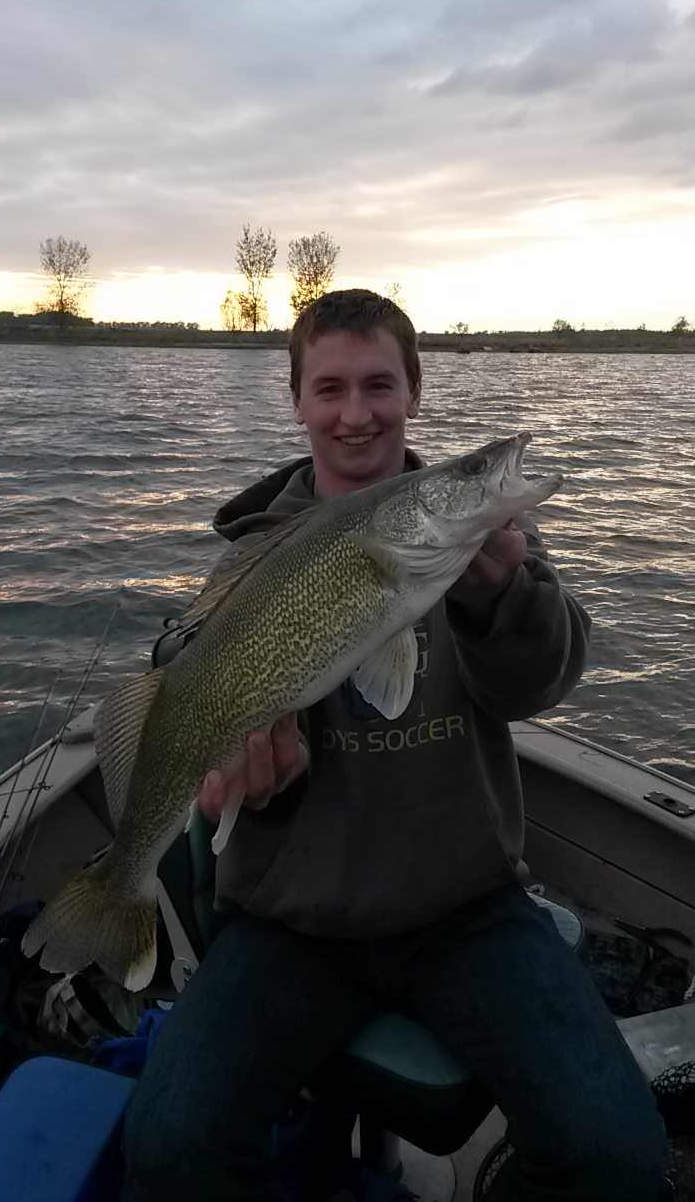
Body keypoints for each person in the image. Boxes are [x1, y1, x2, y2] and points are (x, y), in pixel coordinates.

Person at [124, 290, 669, 1200]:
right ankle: (117, 892)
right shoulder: (253, 559)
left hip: (469, 905)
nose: (356, 413)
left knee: (617, 1157)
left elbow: (535, 686)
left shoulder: (488, 541)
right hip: (290, 918)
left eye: (380, 384)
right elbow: (195, 688)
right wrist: (257, 788)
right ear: (297, 402)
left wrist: (500, 599)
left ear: (414, 392)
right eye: (330, 387)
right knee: (171, 1146)